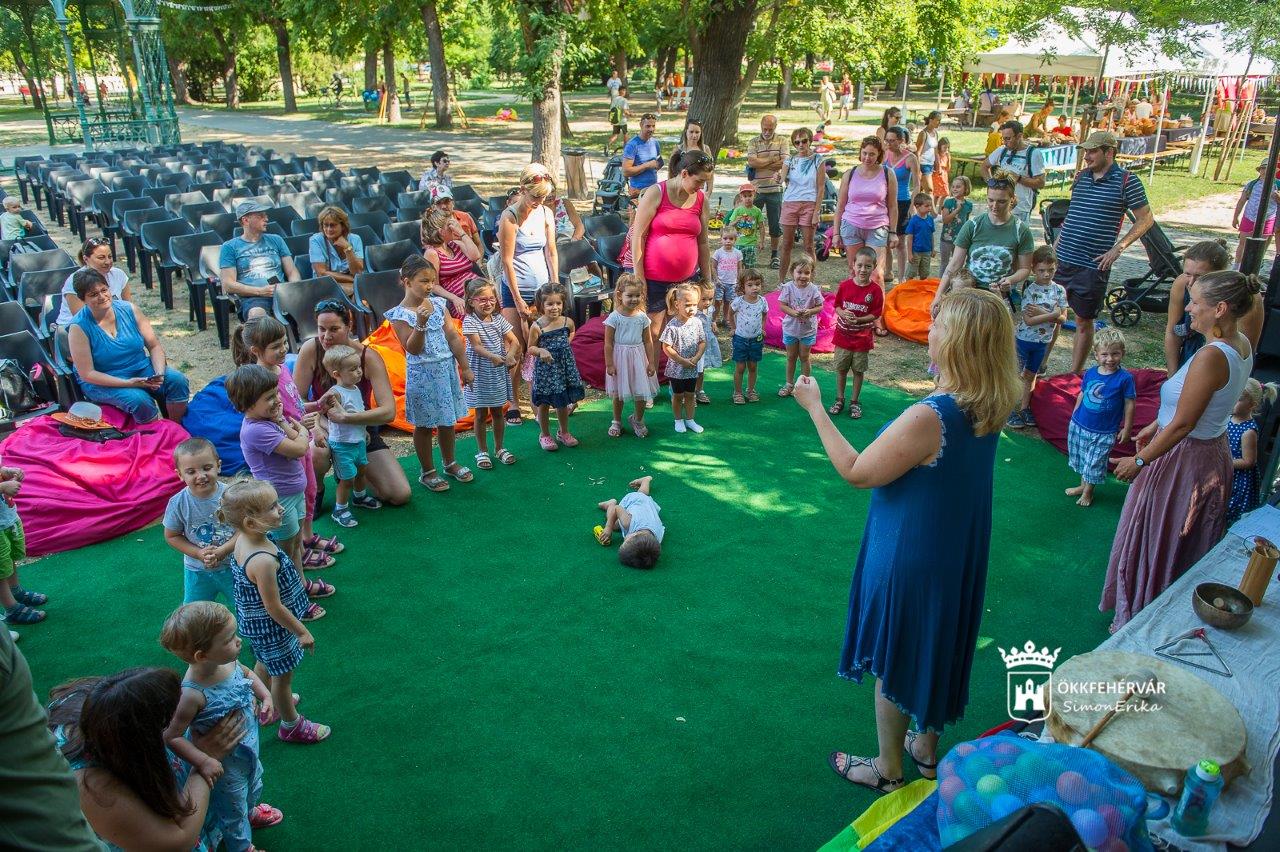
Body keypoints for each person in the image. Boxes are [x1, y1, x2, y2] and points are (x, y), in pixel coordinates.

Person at [793, 287, 1020, 796]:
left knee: (896, 653)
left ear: (957, 342)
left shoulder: (931, 415)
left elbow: (856, 471)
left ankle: (888, 768)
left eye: (938, 325)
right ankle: (926, 746)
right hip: (957, 550)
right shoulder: (993, 402)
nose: (929, 330)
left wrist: (813, 407)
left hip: (911, 552)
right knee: (939, 642)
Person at [1104, 271, 1257, 631]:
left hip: (1184, 458)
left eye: (1196, 302)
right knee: (1175, 539)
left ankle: (1143, 613)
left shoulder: (1212, 357)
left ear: (1220, 309)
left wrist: (1139, 459)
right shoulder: (1242, 342)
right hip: (1207, 449)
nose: (1188, 308)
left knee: (1159, 536)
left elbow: (1186, 423)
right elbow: (1198, 405)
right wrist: (1155, 424)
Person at [48, 667, 245, 850]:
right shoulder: (92, 786)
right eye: (167, 721)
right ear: (143, 737)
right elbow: (177, 842)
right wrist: (204, 759)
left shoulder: (105, 706)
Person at [159, 602, 280, 852]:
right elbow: (171, 736)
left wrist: (266, 696)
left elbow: (247, 673)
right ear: (201, 656)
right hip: (224, 764)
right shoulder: (191, 694)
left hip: (246, 749)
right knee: (232, 806)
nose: (238, 642)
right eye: (229, 639)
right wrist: (203, 761)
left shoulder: (226, 663)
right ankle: (241, 846)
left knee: (254, 783)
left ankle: (250, 811)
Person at [222, 478, 333, 744]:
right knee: (282, 679)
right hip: (274, 626)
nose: (280, 509)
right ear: (250, 522)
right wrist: (301, 630)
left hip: (258, 626)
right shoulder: (261, 559)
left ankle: (261, 700)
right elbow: (273, 606)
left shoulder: (248, 538)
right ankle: (290, 724)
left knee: (264, 661)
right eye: (272, 507)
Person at [232, 317, 337, 570]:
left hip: (297, 434)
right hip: (290, 441)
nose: (282, 350)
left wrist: (314, 407)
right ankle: (299, 547)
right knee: (294, 502)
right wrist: (309, 430)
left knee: (309, 490)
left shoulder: (282, 369)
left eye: (283, 343)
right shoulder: (261, 382)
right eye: (275, 346)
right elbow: (282, 418)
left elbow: (294, 405)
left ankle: (307, 537)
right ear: (256, 351)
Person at [293, 301, 412, 507]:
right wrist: (321, 420)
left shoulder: (368, 356)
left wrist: (348, 419)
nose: (326, 336)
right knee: (317, 451)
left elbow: (388, 412)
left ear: (349, 327)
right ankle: (317, 489)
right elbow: (296, 400)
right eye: (321, 329)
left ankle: (348, 473)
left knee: (399, 494)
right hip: (324, 425)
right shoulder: (311, 349)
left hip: (360, 431)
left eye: (334, 329)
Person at [1055, 131, 1154, 374]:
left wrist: (1118, 248)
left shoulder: (1127, 181)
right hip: (1063, 257)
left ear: (1109, 152)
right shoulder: (1081, 177)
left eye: (1092, 151)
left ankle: (1074, 373)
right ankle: (1043, 365)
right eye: (1085, 151)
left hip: (1092, 264)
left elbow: (1146, 219)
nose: (1086, 156)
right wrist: (1055, 246)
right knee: (1054, 315)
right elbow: (1074, 213)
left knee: (1082, 319)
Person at [226, 365, 326, 585]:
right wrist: (301, 431)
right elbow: (300, 447)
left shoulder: (268, 420)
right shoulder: (256, 430)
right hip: (280, 499)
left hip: (292, 493)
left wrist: (285, 422)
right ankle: (296, 591)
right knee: (287, 550)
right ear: (249, 403)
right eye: (270, 397)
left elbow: (298, 437)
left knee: (295, 543)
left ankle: (299, 581)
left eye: (276, 393)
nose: (277, 400)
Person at [385, 255, 474, 491]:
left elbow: (453, 337)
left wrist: (464, 366)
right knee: (424, 425)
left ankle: (450, 462)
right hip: (422, 374)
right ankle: (427, 471)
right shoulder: (399, 314)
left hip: (446, 370)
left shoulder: (439, 305)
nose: (429, 286)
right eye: (423, 281)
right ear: (406, 281)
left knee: (447, 420)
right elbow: (412, 348)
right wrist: (421, 323)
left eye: (432, 281)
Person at [67, 268, 190, 423]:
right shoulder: (78, 327)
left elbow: (154, 346)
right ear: (83, 299)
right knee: (140, 401)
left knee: (177, 380)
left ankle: (176, 427)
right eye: (93, 294)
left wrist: (159, 374)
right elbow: (88, 374)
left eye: (104, 290)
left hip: (139, 367)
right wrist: (129, 383)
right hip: (103, 378)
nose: (102, 296)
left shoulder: (129, 309)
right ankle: (153, 436)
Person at [632, 149, 715, 345]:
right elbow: (638, 237)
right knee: (654, 332)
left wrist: (707, 280)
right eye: (698, 181)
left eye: (705, 182)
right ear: (684, 173)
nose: (701, 187)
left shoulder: (701, 200)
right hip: (654, 280)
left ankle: (678, 374)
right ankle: (653, 375)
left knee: (684, 332)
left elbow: (703, 242)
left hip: (687, 281)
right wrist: (639, 279)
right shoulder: (656, 193)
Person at [498, 164, 559, 422]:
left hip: (542, 289)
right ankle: (512, 400)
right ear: (523, 190)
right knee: (517, 346)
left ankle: (540, 396)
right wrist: (519, 299)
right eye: (535, 196)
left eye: (543, 197)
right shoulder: (509, 217)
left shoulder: (545, 213)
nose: (539, 201)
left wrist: (555, 286)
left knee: (542, 343)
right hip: (516, 288)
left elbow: (551, 251)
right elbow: (507, 260)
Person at [932, 178, 1034, 313]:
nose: (995, 206)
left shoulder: (1021, 231)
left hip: (997, 295)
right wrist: (938, 296)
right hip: (969, 291)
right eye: (991, 200)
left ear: (1012, 199)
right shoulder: (972, 226)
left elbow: (1025, 268)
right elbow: (954, 264)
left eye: (1001, 201)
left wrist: (1010, 279)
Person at [1066, 327, 1135, 507]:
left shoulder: (1124, 378)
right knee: (1082, 459)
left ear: (1122, 353)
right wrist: (1075, 413)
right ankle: (1083, 486)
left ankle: (1088, 492)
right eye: (1105, 354)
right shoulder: (1091, 372)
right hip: (1081, 425)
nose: (1110, 359)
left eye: (1115, 354)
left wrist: (1127, 428)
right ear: (1096, 354)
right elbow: (1082, 393)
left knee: (1094, 462)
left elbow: (1129, 403)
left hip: (1104, 431)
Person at [164, 438, 237, 606]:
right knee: (195, 613)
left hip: (234, 566)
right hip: (197, 570)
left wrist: (223, 551)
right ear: (180, 475)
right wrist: (197, 553)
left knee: (247, 609)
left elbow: (245, 529)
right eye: (191, 472)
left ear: (218, 466)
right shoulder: (178, 503)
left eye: (207, 468)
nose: (201, 476)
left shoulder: (232, 496)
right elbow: (172, 536)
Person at [461, 278, 519, 467]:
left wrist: (510, 355)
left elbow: (515, 341)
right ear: (471, 301)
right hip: (480, 372)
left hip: (496, 373)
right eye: (482, 300)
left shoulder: (499, 319)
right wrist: (493, 356)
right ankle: (482, 451)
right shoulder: (470, 321)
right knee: (480, 413)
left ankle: (499, 447)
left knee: (498, 412)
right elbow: (476, 346)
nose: (488, 303)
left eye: (491, 299)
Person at [1009, 247, 1068, 429]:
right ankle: (1010, 408)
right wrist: (1051, 314)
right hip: (1024, 340)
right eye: (1042, 270)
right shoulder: (1030, 290)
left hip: (1042, 342)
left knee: (1031, 374)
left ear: (1056, 267)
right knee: (1015, 374)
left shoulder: (1059, 290)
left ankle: (1025, 407)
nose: (1046, 274)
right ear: (1034, 269)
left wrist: (1045, 313)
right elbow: (1028, 320)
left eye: (1050, 270)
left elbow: (1063, 318)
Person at [219, 201, 300, 321]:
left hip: (283, 292)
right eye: (260, 215)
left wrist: (293, 288)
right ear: (245, 220)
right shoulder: (230, 247)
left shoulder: (276, 240)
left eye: (265, 215)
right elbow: (228, 284)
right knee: (257, 314)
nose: (266, 218)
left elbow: (292, 271)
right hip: (253, 297)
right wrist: (260, 291)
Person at [833, 136, 898, 288]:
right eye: (864, 153)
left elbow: (893, 206)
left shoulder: (888, 174)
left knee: (876, 274)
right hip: (851, 225)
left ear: (879, 155)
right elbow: (840, 206)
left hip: (877, 227)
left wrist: (893, 232)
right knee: (854, 271)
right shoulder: (850, 173)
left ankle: (877, 311)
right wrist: (836, 233)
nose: (867, 157)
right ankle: (854, 307)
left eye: (872, 154)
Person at [527, 282, 585, 450]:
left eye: (558, 303)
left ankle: (563, 432)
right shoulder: (537, 326)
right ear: (541, 305)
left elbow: (572, 331)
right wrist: (541, 351)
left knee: (562, 400)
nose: (554, 307)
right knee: (544, 403)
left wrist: (567, 343)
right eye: (550, 304)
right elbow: (530, 348)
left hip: (564, 368)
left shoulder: (567, 322)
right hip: (546, 370)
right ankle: (544, 434)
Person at [322, 345, 373, 528]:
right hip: (342, 444)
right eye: (352, 369)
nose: (358, 372)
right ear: (336, 374)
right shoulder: (337, 392)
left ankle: (359, 497)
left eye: (358, 367)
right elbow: (334, 407)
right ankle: (340, 508)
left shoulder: (354, 388)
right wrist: (331, 398)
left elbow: (357, 413)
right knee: (346, 479)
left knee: (361, 470)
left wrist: (364, 430)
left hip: (357, 440)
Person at [830, 248, 883, 420]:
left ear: (874, 267)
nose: (862, 269)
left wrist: (859, 321)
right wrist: (843, 313)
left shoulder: (875, 291)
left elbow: (876, 313)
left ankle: (854, 401)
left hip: (861, 339)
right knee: (841, 369)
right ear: (853, 265)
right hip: (843, 337)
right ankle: (839, 399)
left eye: (868, 266)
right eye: (859, 265)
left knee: (858, 370)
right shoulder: (845, 286)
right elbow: (837, 305)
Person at [604, 273, 658, 437]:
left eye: (637, 295)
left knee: (641, 391)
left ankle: (638, 419)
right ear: (620, 295)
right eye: (630, 295)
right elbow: (608, 343)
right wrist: (609, 364)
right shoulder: (614, 317)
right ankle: (616, 421)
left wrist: (651, 362)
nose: (634, 299)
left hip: (638, 357)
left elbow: (648, 341)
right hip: (620, 358)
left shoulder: (642, 317)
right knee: (618, 392)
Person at [777, 126, 826, 285]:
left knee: (808, 246)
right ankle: (782, 280)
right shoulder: (790, 160)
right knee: (786, 244)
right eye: (796, 142)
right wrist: (778, 177)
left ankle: (810, 281)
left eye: (804, 141)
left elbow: (820, 188)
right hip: (790, 202)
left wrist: (816, 211)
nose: (800, 145)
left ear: (810, 141)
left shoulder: (818, 160)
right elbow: (781, 178)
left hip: (809, 204)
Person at [660, 283, 707, 434]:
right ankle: (678, 420)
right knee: (678, 395)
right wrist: (681, 360)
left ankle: (690, 419)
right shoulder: (672, 326)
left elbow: (702, 342)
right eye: (687, 305)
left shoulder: (697, 322)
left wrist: (697, 357)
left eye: (694, 304)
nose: (692, 308)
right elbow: (666, 347)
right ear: (677, 304)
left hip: (692, 367)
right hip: (677, 369)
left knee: (690, 394)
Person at [420, 206, 481, 317]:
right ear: (441, 231)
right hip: (460, 300)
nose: (455, 227)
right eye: (451, 225)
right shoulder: (432, 253)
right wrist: (454, 298)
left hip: (479, 290)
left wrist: (462, 233)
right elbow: (433, 285)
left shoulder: (456, 244)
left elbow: (475, 256)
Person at [776, 256, 824, 398]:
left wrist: (810, 311)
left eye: (807, 273)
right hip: (791, 328)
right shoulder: (788, 287)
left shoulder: (814, 289)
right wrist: (794, 313)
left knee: (804, 356)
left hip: (807, 330)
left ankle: (805, 385)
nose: (803, 276)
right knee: (791, 357)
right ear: (793, 272)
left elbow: (820, 306)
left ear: (812, 274)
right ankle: (789, 384)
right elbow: (782, 305)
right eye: (800, 272)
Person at [0, 458, 38, 630]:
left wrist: (5, 472)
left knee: (9, 557)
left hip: (6, 517)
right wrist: (2, 487)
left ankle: (16, 591)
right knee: (0, 567)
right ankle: (11, 608)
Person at [981, 120, 1045, 223]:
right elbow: (984, 166)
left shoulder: (1033, 153)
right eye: (1003, 138)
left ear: (1019, 136)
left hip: (1020, 209)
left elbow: (1041, 183)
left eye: (1008, 139)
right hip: (999, 209)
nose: (1004, 142)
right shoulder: (1002, 150)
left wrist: (1018, 178)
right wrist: (991, 183)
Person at [56, 237, 131, 325]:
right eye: (101, 258)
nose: (107, 262)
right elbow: (82, 320)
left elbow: (128, 308)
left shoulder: (119, 275)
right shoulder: (75, 281)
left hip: (113, 324)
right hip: (76, 328)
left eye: (110, 256)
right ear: (86, 259)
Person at [595, 475, 665, 568]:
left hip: (647, 505)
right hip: (633, 501)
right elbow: (617, 509)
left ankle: (646, 480)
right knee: (615, 525)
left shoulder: (657, 539)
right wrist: (608, 528)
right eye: (625, 541)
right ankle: (610, 504)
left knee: (643, 494)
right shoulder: (628, 522)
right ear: (634, 534)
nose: (623, 539)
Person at [747, 114, 787, 269]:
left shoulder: (782, 141)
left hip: (775, 189)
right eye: (765, 128)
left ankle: (774, 255)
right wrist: (772, 160)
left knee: (775, 224)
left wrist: (761, 163)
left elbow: (785, 162)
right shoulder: (753, 141)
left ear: (775, 127)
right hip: (756, 189)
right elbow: (752, 161)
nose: (767, 131)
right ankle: (747, 251)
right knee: (749, 221)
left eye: (770, 129)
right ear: (761, 126)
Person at [1227, 379, 1270, 523]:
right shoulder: (1228, 419)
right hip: (1226, 472)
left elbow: (1249, 461)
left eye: (1238, 399)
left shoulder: (1248, 431)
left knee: (1232, 514)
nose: (1232, 401)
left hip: (1239, 481)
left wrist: (1225, 463)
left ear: (1252, 405)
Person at [883, 127, 920, 284]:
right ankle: (888, 271)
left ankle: (901, 277)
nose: (889, 144)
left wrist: (913, 205)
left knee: (899, 241)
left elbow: (917, 184)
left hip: (902, 202)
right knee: (885, 239)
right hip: (884, 201)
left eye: (892, 140)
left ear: (901, 141)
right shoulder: (885, 154)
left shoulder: (910, 158)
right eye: (887, 140)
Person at [729, 269, 768, 404]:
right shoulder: (739, 301)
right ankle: (738, 392)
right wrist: (733, 327)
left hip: (756, 339)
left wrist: (762, 328)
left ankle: (751, 390)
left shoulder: (762, 301)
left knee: (753, 366)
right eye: (750, 285)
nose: (754, 287)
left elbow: (764, 314)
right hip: (740, 338)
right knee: (740, 367)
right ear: (743, 287)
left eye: (757, 284)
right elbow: (730, 313)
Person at [307, 205, 364, 296]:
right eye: (325, 225)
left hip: (351, 285)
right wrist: (352, 279)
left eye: (332, 225)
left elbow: (357, 272)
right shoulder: (315, 240)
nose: (328, 229)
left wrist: (348, 248)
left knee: (360, 293)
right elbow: (322, 273)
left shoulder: (355, 239)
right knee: (357, 292)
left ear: (343, 226)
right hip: (325, 285)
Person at [1232, 161, 1280, 268]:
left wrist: (1277, 197)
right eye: (1263, 168)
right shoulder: (1252, 184)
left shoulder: (1278, 184)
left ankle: (1255, 266)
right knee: (1243, 243)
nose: (1265, 171)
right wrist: (1235, 217)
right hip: (1249, 216)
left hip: (1268, 218)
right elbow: (1242, 201)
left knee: (1261, 245)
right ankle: (1237, 266)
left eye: (1268, 169)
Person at [622, 113, 663, 202]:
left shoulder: (655, 143)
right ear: (641, 125)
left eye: (653, 126)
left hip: (653, 190)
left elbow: (659, 162)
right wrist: (647, 165)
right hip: (637, 192)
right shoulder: (632, 145)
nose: (651, 129)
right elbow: (625, 171)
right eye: (648, 126)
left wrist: (656, 165)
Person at [694, 281, 723, 405]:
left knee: (701, 369)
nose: (707, 302)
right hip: (695, 345)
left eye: (710, 299)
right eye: (703, 299)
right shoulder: (693, 312)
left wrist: (713, 323)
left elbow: (710, 319)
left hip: (707, 343)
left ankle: (699, 390)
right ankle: (689, 393)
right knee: (692, 369)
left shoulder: (710, 309)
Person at [668, 119, 715, 194]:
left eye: (697, 132)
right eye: (691, 132)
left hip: (700, 187)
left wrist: (709, 190)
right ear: (686, 132)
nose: (694, 135)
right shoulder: (679, 149)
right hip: (681, 187)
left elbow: (710, 171)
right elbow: (671, 170)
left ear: (701, 133)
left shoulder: (705, 149)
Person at [938, 176, 972, 274]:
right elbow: (945, 220)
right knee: (944, 263)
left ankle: (954, 285)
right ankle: (941, 285)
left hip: (961, 240)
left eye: (958, 187)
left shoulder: (969, 205)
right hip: (946, 239)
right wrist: (957, 210)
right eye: (953, 187)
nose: (954, 189)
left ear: (966, 189)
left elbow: (966, 222)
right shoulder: (948, 202)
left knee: (958, 263)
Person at [727, 183, 766, 268]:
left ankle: (748, 281)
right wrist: (736, 221)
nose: (747, 198)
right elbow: (730, 225)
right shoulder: (738, 210)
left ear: (754, 196)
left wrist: (762, 242)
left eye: (750, 196)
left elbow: (762, 227)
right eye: (745, 196)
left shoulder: (757, 211)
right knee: (737, 266)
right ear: (741, 197)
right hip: (738, 243)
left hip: (751, 244)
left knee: (750, 267)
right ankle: (737, 280)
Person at [712, 227, 743, 327]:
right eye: (725, 238)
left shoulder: (738, 253)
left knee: (728, 302)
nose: (728, 241)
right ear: (721, 239)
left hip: (732, 283)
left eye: (731, 239)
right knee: (717, 301)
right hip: (720, 282)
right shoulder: (718, 253)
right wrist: (716, 279)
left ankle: (726, 319)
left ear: (735, 240)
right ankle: (714, 320)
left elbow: (740, 268)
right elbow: (713, 267)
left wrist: (739, 280)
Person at [903, 193, 936, 280]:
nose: (930, 208)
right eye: (927, 206)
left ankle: (921, 289)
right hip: (915, 252)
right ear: (917, 206)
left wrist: (933, 249)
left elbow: (931, 235)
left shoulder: (930, 219)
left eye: (930, 206)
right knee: (911, 273)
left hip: (927, 251)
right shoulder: (913, 221)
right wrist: (909, 254)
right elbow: (909, 238)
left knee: (924, 273)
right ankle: (908, 288)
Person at [915, 111, 942, 187]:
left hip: (931, 164)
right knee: (929, 190)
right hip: (923, 164)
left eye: (940, 120)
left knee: (921, 189)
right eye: (937, 120)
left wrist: (938, 164)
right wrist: (918, 169)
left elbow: (935, 151)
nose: (939, 123)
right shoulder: (923, 133)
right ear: (931, 120)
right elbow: (918, 152)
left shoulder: (935, 133)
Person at [607, 85, 632, 157]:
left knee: (615, 134)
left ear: (618, 91)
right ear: (623, 92)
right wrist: (631, 115)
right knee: (625, 134)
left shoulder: (614, 99)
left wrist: (610, 119)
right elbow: (625, 111)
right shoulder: (624, 100)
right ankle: (625, 150)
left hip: (616, 120)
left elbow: (611, 110)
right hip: (623, 120)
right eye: (624, 91)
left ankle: (608, 145)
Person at [931, 137, 952, 208]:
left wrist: (949, 158)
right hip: (937, 175)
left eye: (947, 147)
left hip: (944, 175)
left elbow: (948, 167)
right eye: (944, 147)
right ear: (940, 146)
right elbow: (936, 164)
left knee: (945, 193)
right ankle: (933, 209)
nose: (946, 149)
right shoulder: (937, 154)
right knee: (936, 195)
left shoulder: (947, 155)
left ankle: (939, 209)